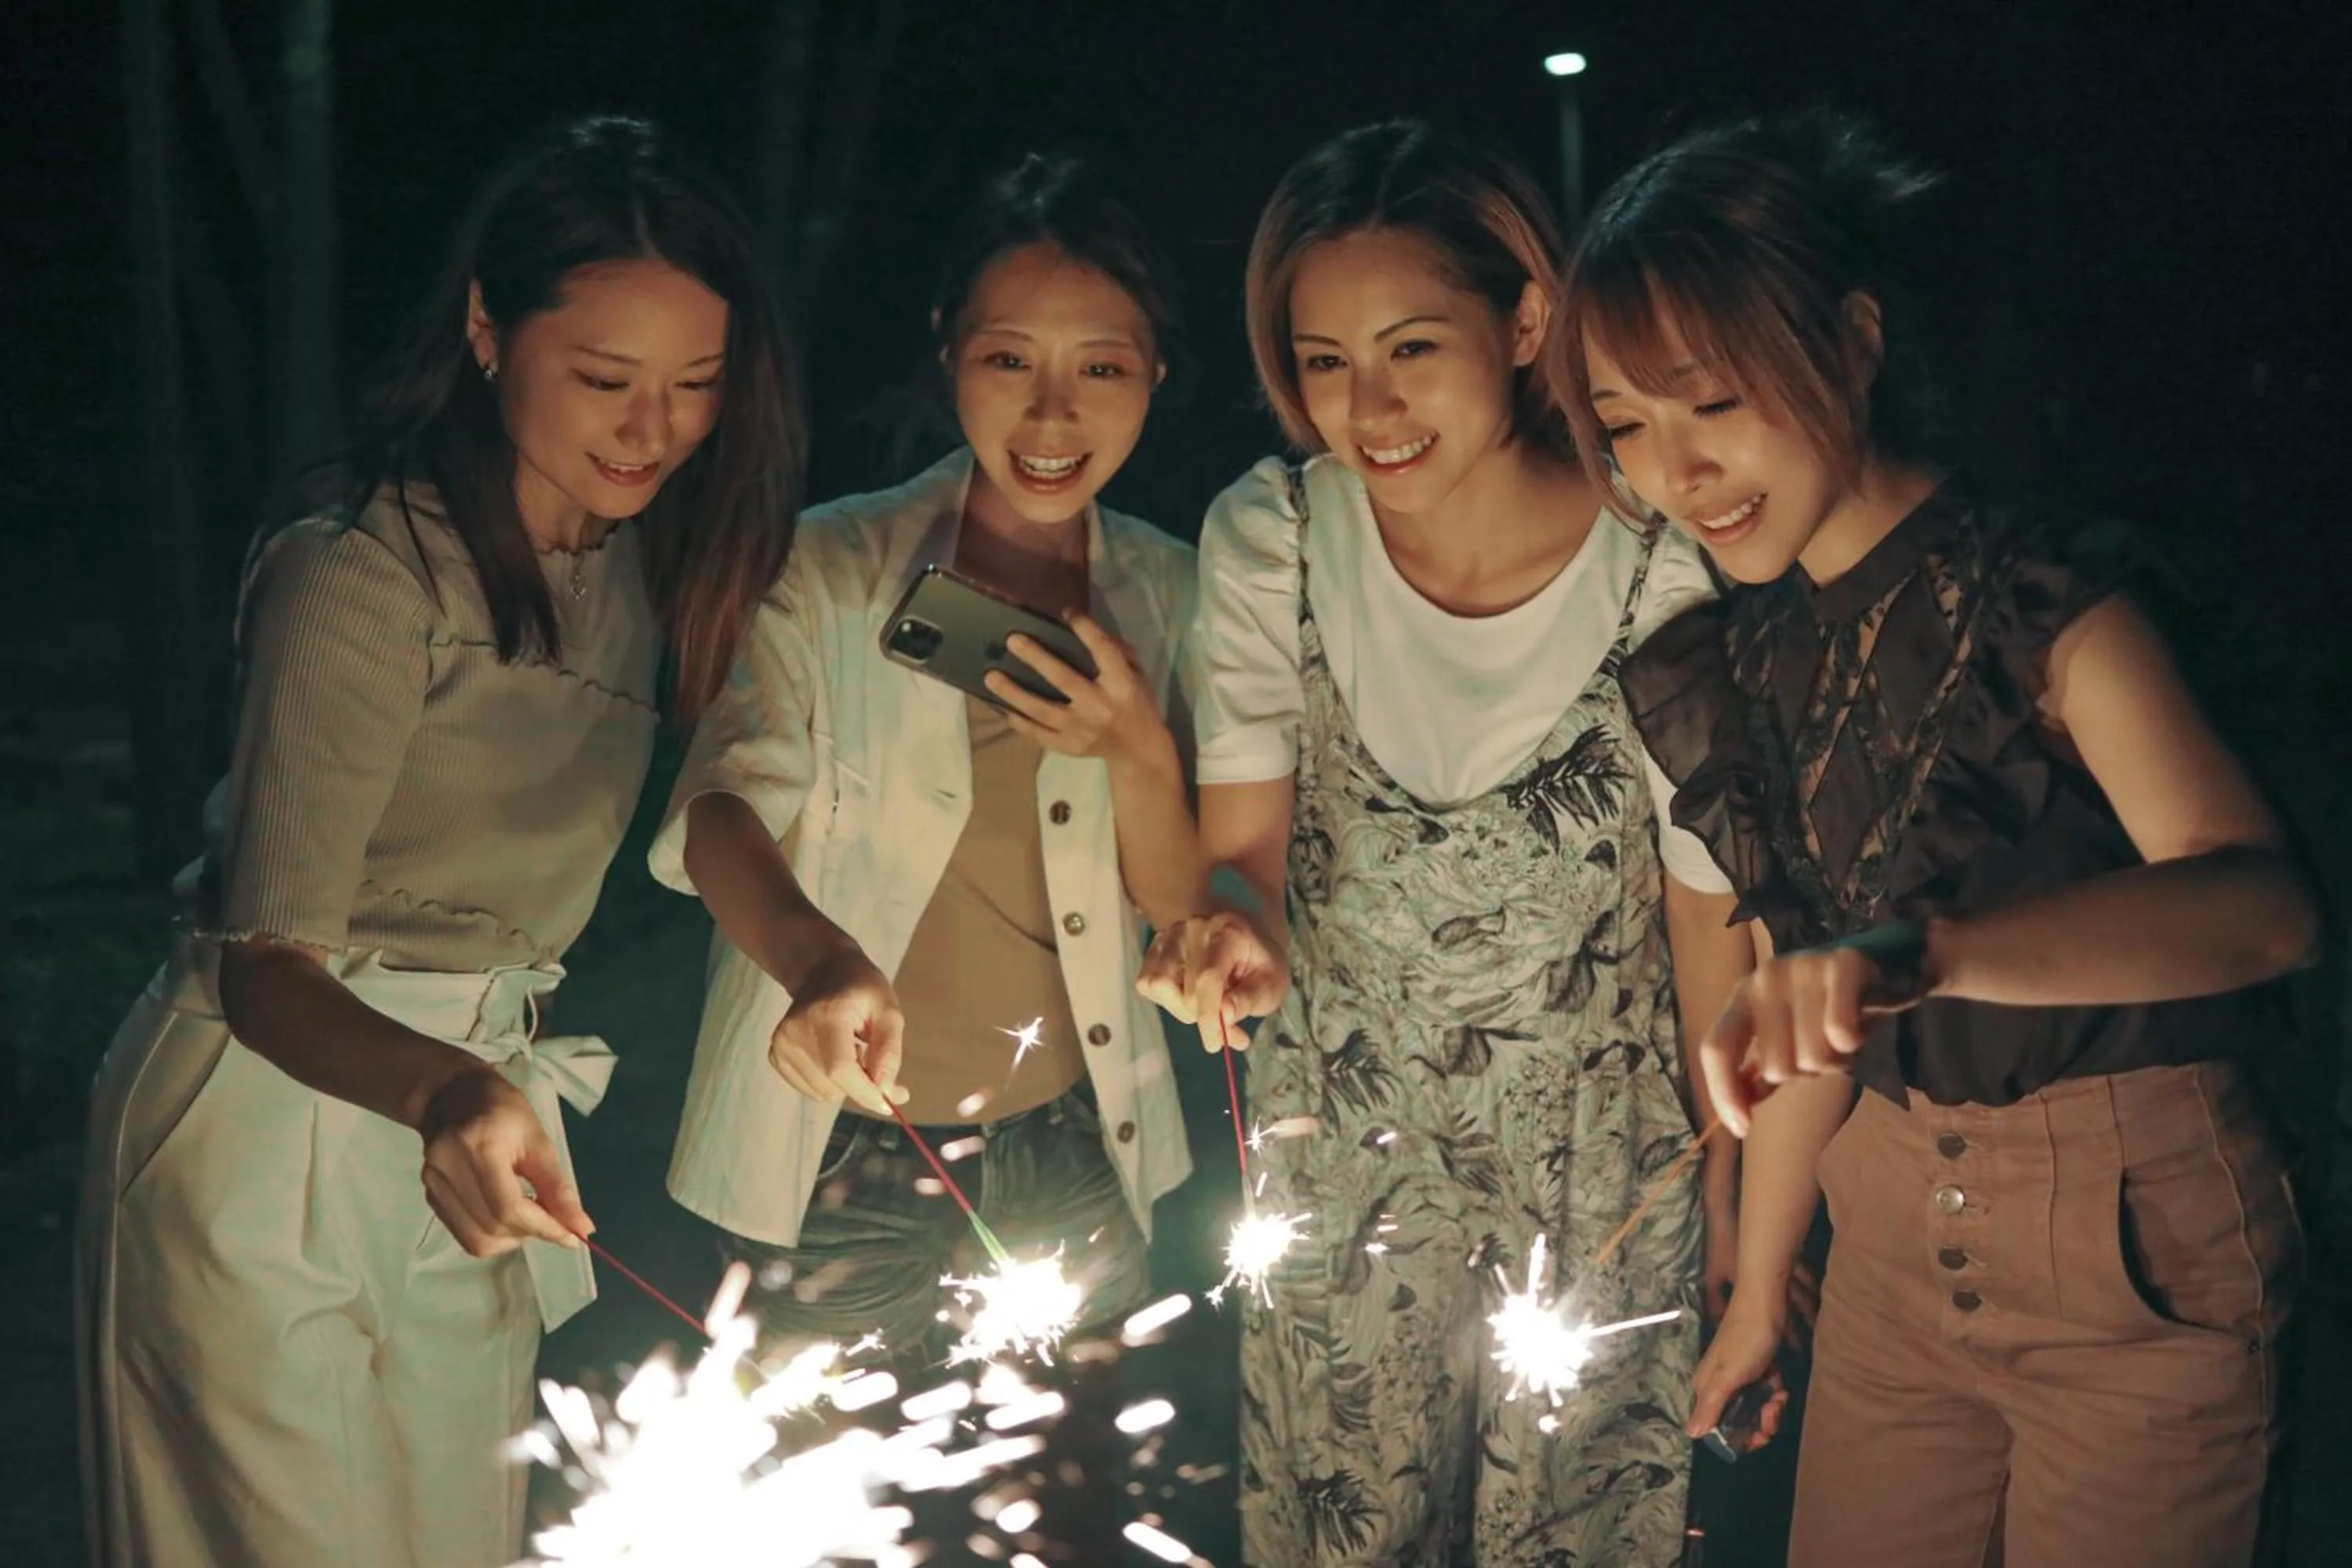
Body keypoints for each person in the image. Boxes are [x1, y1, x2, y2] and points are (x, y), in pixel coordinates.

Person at [1555, 110, 2317, 1566]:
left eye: (1711, 400)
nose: (1675, 471)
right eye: (1626, 427)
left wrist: (1932, 952)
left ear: (1853, 340)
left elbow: (2264, 909)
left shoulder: (2046, 605)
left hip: (2132, 1256)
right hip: (1891, 1259)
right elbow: (1808, 1013)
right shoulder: (1743, 665)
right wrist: (1761, 1290)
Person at [74, 115, 805, 1568]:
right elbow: (265, 965)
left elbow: (735, 782)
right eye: (603, 378)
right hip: (276, 1111)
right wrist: (445, 1090)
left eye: (695, 385)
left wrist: (814, 957)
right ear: (486, 329)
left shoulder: (649, 566)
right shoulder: (363, 569)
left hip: (481, 1118)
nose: (651, 430)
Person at [1140, 121, 1753, 1565]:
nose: (1369, 406)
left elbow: (1706, 920)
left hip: (1601, 1172)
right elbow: (1247, 860)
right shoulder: (1277, 538)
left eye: (1413, 347)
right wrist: (1228, 934)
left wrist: (1732, 1216)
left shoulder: (1659, 564)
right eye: (1325, 360)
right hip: (1344, 1156)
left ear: (1526, 322)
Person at [650, 152, 1196, 1364]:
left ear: (1155, 371)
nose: (1051, 417)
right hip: (839, 1142)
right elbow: (722, 807)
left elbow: (1179, 906)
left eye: (1102, 368)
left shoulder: (1170, 591)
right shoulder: (825, 569)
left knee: (1073, 1465)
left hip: (1075, 1132)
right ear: (948, 350)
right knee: (820, 1465)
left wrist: (1136, 749)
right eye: (1009, 361)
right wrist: (818, 961)